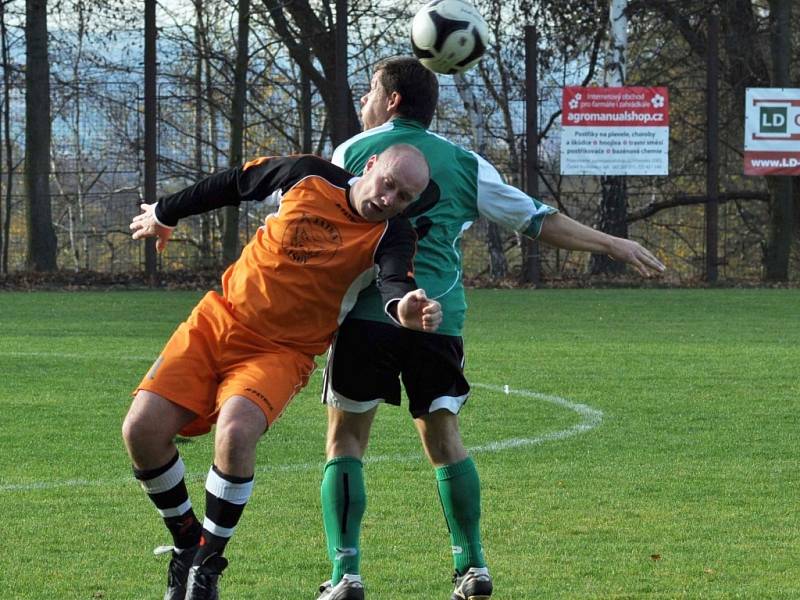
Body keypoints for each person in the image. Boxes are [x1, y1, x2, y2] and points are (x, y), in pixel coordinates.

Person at [316, 56, 666, 600]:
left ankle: (345, 575)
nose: (362, 102)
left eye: (368, 92)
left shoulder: (353, 155)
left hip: (371, 315)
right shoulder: (464, 163)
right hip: (438, 317)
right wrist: (611, 242)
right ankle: (472, 566)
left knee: (344, 443)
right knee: (444, 438)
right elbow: (537, 220)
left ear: (391, 102)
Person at [121, 145, 443, 600]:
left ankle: (207, 565)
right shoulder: (307, 175)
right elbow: (234, 182)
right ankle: (186, 541)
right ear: (370, 167)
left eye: (404, 197)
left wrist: (404, 307)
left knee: (235, 433)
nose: (390, 199)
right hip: (219, 320)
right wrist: (167, 212)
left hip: (281, 352)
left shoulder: (392, 235)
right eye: (388, 184)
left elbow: (395, 281)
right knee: (141, 430)